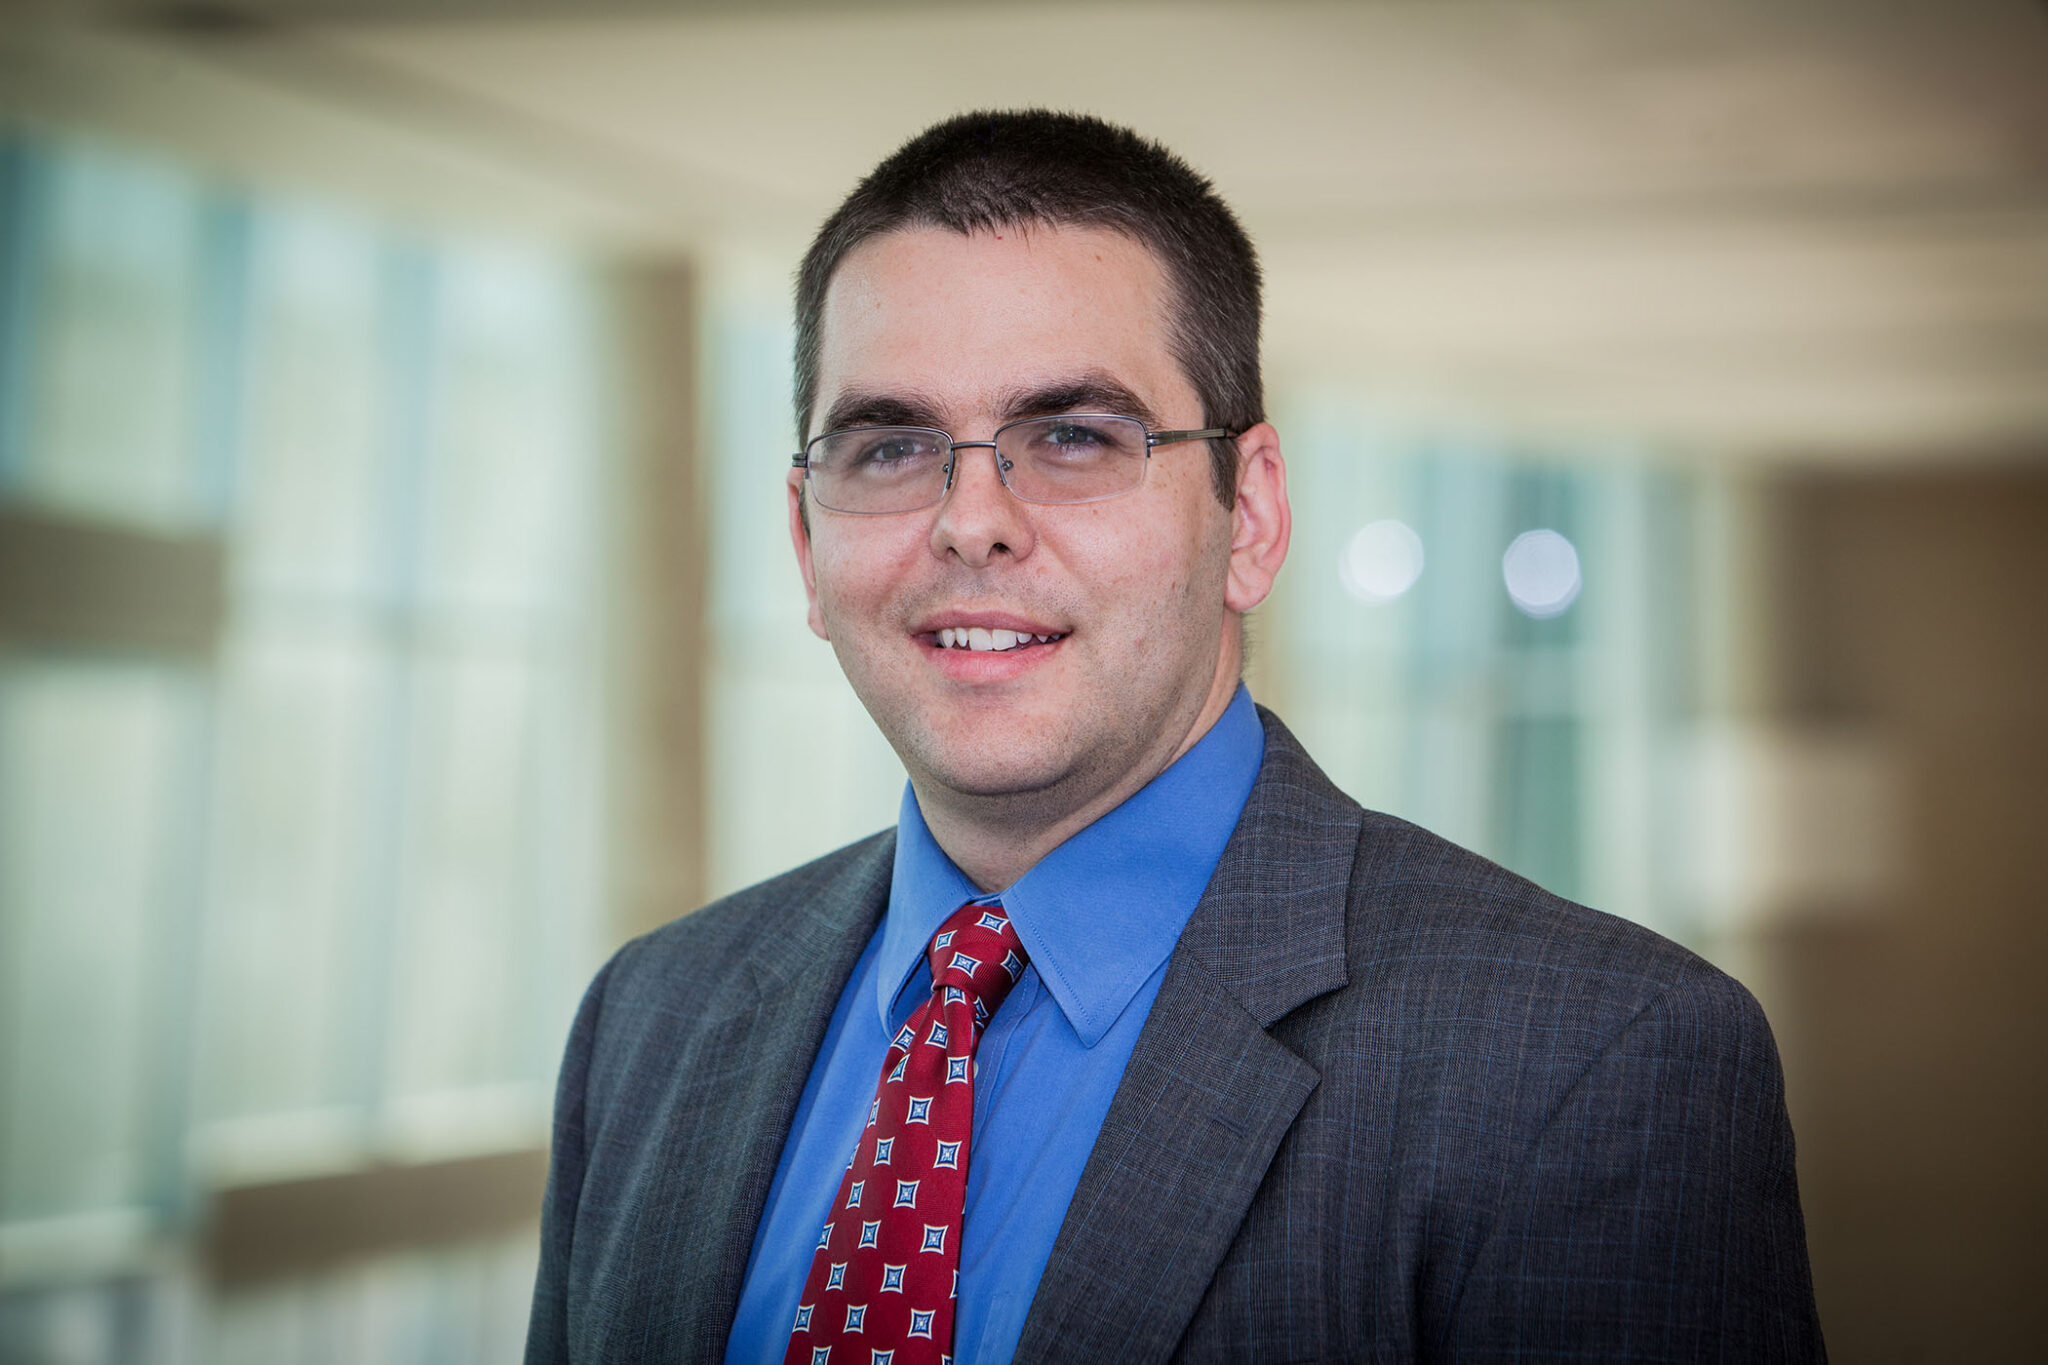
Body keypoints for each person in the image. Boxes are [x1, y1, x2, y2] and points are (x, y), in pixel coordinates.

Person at [524, 110, 1823, 1364]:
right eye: (891, 445)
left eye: (1075, 436)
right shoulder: (651, 1018)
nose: (973, 520)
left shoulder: (1595, 1061)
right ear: (807, 544)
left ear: (1248, 515)